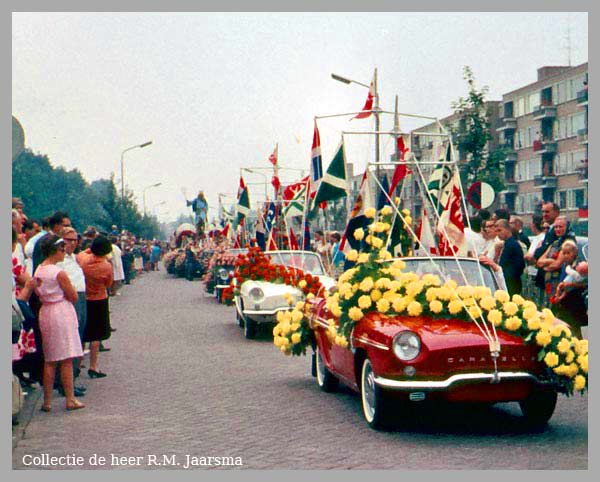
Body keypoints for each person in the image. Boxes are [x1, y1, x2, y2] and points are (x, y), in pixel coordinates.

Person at [33, 235, 85, 412]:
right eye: (62, 249)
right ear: (56, 250)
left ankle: (47, 401)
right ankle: (70, 398)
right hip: (61, 310)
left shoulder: (39, 269)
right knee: (67, 357)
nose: (65, 252)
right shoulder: (58, 272)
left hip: (46, 310)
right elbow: (72, 295)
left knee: (50, 359)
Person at [77, 236, 113, 379]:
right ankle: (93, 366)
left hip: (85, 299)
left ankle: (78, 365)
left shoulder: (83, 261)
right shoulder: (106, 266)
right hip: (99, 299)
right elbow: (108, 283)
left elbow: (81, 254)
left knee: (84, 332)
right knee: (96, 335)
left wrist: (89, 249)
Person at [56, 227, 87, 382]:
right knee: (71, 339)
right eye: (69, 240)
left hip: (81, 296)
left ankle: (72, 377)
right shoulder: (59, 259)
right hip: (70, 298)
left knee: (79, 336)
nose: (73, 243)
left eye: (75, 240)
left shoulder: (74, 257)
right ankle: (66, 382)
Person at [479, 219, 525, 296]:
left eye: (500, 230)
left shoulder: (511, 245)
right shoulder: (506, 244)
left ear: (508, 229)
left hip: (511, 282)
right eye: (496, 231)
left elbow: (517, 265)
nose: (498, 233)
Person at [536, 217, 576, 305]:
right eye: (555, 227)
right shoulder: (555, 243)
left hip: (560, 285)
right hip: (548, 284)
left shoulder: (568, 243)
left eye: (560, 227)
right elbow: (539, 262)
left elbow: (557, 264)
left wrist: (547, 263)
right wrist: (551, 260)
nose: (557, 229)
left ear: (567, 227)